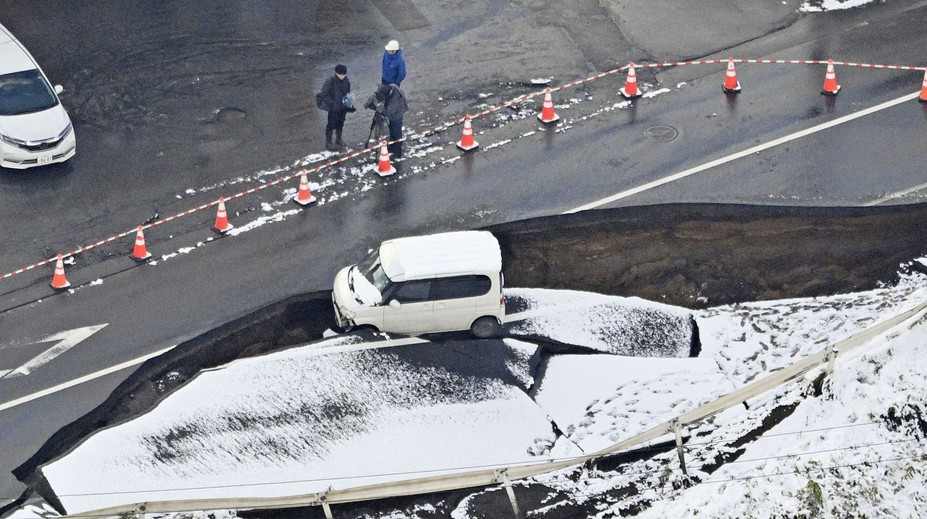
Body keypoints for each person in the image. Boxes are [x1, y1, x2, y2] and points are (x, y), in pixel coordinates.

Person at [367, 83, 409, 159]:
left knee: (396, 132)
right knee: (392, 129)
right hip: (393, 111)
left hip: (397, 114)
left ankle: (397, 152)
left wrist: (377, 107)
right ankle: (392, 145)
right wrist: (373, 98)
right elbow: (379, 92)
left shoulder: (394, 101)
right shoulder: (389, 87)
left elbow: (385, 112)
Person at [320, 64, 353, 151]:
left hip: (342, 107)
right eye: (340, 74)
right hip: (333, 108)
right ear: (336, 73)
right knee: (331, 124)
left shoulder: (346, 81)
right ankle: (328, 142)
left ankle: (338, 139)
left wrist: (348, 103)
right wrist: (332, 104)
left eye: (343, 74)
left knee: (340, 123)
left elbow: (347, 93)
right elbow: (324, 94)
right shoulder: (330, 81)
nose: (342, 76)